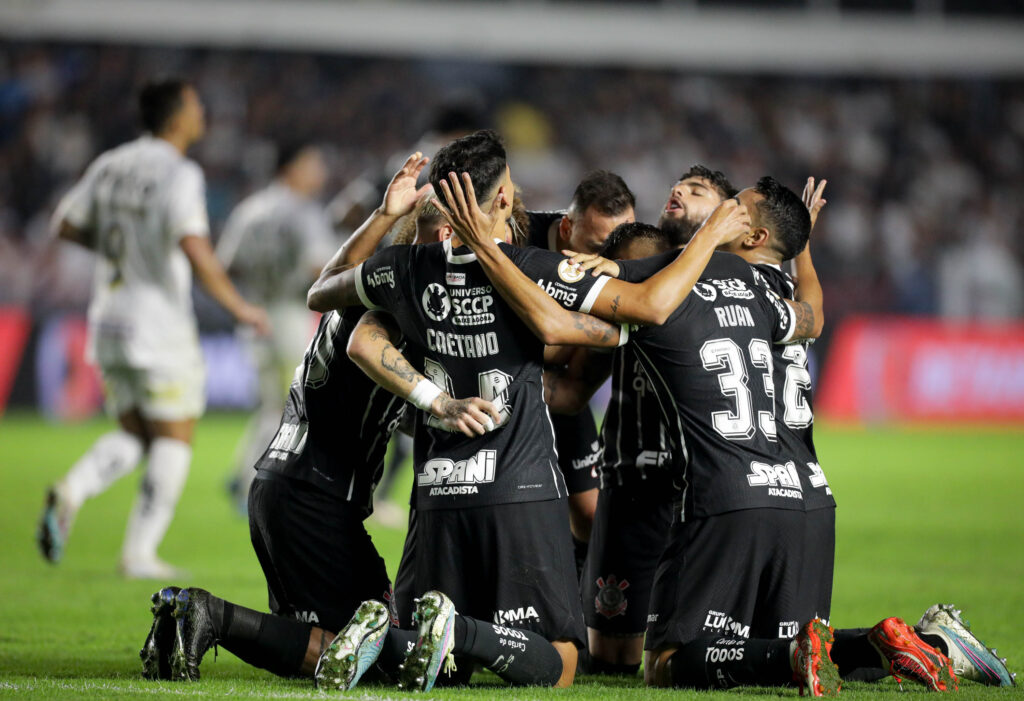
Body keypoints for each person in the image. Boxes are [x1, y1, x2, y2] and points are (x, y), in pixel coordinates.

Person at [137, 153, 501, 683]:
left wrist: (382, 213)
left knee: (316, 648)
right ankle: (210, 615)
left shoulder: (366, 278)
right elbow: (366, 351)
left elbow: (327, 280)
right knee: (374, 653)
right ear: (448, 229)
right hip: (317, 496)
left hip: (280, 482)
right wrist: (438, 402)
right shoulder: (413, 289)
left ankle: (187, 622)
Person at [37, 77, 269, 579]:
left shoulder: (111, 163)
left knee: (137, 434)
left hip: (109, 318)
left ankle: (72, 490)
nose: (203, 110)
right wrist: (239, 306)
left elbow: (65, 223)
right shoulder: (179, 173)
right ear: (177, 115)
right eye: (197, 103)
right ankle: (138, 554)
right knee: (174, 437)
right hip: (158, 324)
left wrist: (125, 247)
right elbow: (194, 245)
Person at [525, 170, 637, 579]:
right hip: (502, 385)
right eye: (596, 246)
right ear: (567, 227)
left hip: (555, 388)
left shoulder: (628, 261)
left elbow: (574, 390)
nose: (607, 259)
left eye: (617, 245)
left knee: (592, 514)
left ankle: (582, 608)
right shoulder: (519, 237)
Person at [216, 142, 336, 513]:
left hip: (255, 314)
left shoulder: (250, 209)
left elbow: (227, 263)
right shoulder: (304, 213)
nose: (320, 172)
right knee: (289, 405)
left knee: (273, 401)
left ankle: (241, 474)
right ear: (292, 167)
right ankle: (254, 480)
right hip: (288, 313)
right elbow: (321, 266)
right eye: (313, 164)